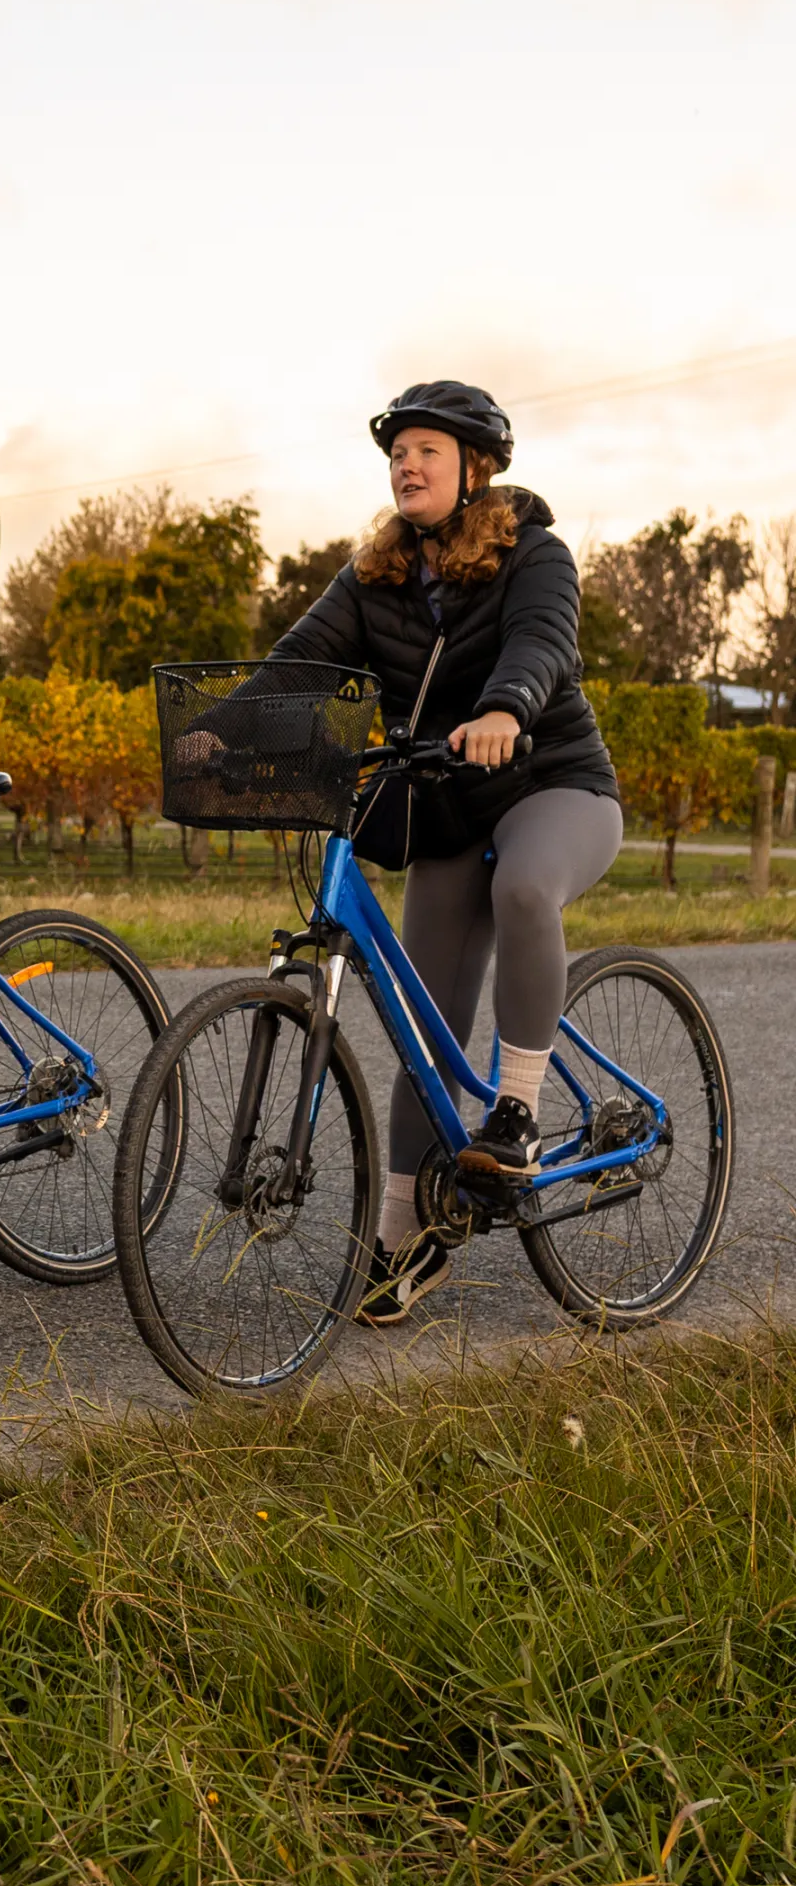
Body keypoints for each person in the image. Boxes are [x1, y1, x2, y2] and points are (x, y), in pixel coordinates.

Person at [258, 380, 622, 1325]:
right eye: (398, 451)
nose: (406, 464)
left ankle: (517, 1112)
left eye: (428, 449)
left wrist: (505, 708)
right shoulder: (373, 573)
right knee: (423, 1033)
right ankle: (402, 1240)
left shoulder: (533, 554)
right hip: (447, 807)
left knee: (529, 891)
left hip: (554, 784)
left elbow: (540, 645)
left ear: (477, 468)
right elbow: (299, 661)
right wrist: (225, 732)